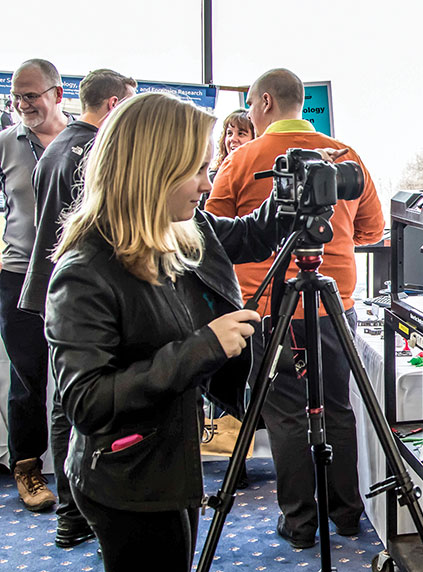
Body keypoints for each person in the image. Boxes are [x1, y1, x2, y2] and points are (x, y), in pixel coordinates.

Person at [44, 91, 279, 571]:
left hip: (170, 466)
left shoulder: (177, 234)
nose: (205, 184)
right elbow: (87, 402)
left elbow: (247, 235)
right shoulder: (86, 269)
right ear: (152, 171)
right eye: (196, 170)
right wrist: (203, 348)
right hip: (129, 481)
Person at [205, 67, 384, 549]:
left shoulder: (242, 161)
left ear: (264, 103)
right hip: (334, 303)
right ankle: (348, 514)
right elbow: (373, 229)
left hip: (267, 307)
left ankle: (300, 523)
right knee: (339, 408)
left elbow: (210, 236)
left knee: (286, 414)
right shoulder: (345, 157)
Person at [18, 68, 136, 549]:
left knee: (66, 404)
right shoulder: (90, 155)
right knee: (78, 409)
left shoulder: (56, 147)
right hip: (77, 296)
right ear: (113, 105)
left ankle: (73, 513)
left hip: (51, 290)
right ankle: (75, 513)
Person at [0, 58, 69, 512]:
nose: (24, 104)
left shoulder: (86, 141)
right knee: (28, 378)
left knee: (77, 376)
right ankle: (27, 468)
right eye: (17, 96)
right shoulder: (5, 143)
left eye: (32, 95)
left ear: (58, 94)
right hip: (18, 274)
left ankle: (78, 468)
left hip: (73, 276)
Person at [208, 108, 254, 182]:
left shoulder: (260, 175)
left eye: (241, 134)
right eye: (229, 133)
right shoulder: (213, 177)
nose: (233, 139)